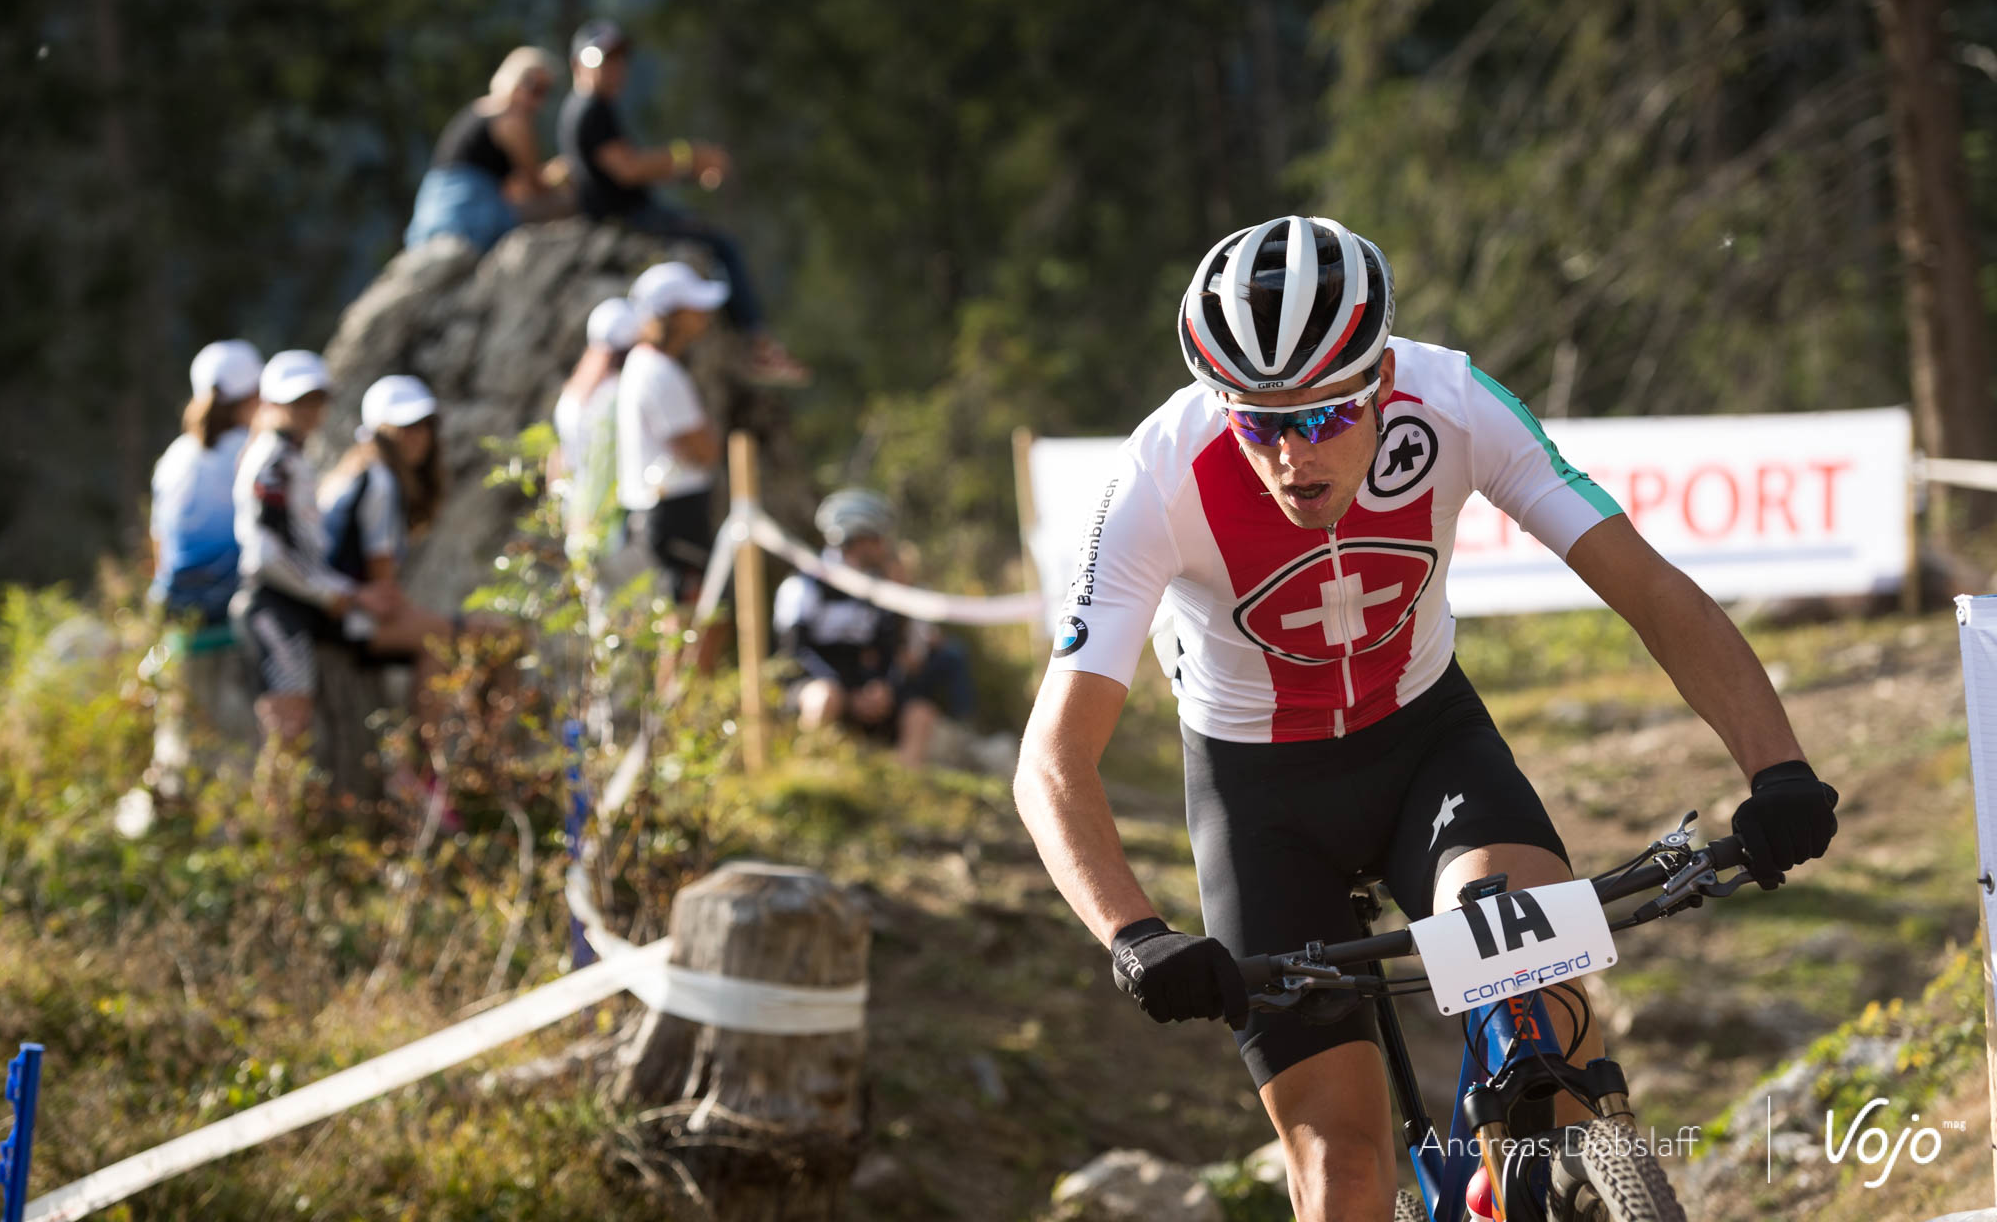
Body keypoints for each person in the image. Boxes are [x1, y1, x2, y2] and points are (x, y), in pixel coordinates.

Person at [1011, 215, 1840, 1220]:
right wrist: (1132, 932)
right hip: (1257, 795)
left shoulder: (1452, 403)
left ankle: (1529, 1177)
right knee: (1344, 1169)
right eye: (1258, 424)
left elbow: (1651, 592)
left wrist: (1776, 768)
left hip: (1425, 747)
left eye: (1323, 416)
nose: (1291, 455)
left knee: (1550, 1051)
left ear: (1380, 380)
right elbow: (1052, 758)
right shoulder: (1157, 476)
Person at [558, 18, 808, 385]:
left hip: (625, 216)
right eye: (602, 60)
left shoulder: (588, 108)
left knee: (714, 239)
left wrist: (687, 167)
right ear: (577, 65)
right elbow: (628, 169)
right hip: (627, 219)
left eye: (618, 59)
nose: (614, 69)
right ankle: (756, 344)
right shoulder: (590, 109)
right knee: (721, 245)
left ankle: (750, 342)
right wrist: (690, 158)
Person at [229, 352, 396, 767]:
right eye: (297, 401)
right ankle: (277, 809)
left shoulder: (291, 457)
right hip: (274, 604)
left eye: (315, 399)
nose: (308, 410)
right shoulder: (273, 461)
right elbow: (266, 553)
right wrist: (337, 593)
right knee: (288, 727)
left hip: (294, 603)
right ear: (272, 403)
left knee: (296, 729)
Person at [772, 490, 966, 769]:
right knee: (824, 697)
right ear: (855, 538)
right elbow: (793, 652)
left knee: (921, 714)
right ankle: (809, 775)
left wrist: (883, 687)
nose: (884, 546)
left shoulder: (879, 590)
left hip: (865, 691)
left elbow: (889, 649)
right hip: (816, 687)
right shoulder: (803, 586)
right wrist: (845, 692)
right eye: (877, 537)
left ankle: (902, 784)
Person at [319, 374, 456, 658]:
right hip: (347, 617)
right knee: (457, 636)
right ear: (380, 431)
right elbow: (383, 585)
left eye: (425, 425)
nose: (418, 435)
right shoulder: (381, 483)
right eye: (405, 427)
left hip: (339, 610)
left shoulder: (356, 469)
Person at [616, 261, 726, 608]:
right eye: (694, 305)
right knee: (696, 615)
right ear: (674, 314)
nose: (705, 314)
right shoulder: (659, 371)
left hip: (662, 510)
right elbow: (702, 450)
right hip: (676, 511)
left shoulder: (645, 363)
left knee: (685, 613)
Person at [404, 46, 567, 253]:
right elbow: (534, 185)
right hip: (468, 216)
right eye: (534, 88)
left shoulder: (480, 108)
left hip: (432, 215)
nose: (537, 100)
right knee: (568, 203)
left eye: (544, 91)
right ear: (513, 78)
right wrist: (558, 177)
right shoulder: (512, 119)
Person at [149, 340, 264, 625]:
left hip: (172, 602)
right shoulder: (255, 452)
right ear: (252, 396)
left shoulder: (174, 455)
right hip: (231, 600)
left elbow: (159, 545)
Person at [553, 296, 638, 561]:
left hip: (576, 524)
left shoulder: (571, 395)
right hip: (612, 532)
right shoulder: (617, 396)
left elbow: (558, 458)